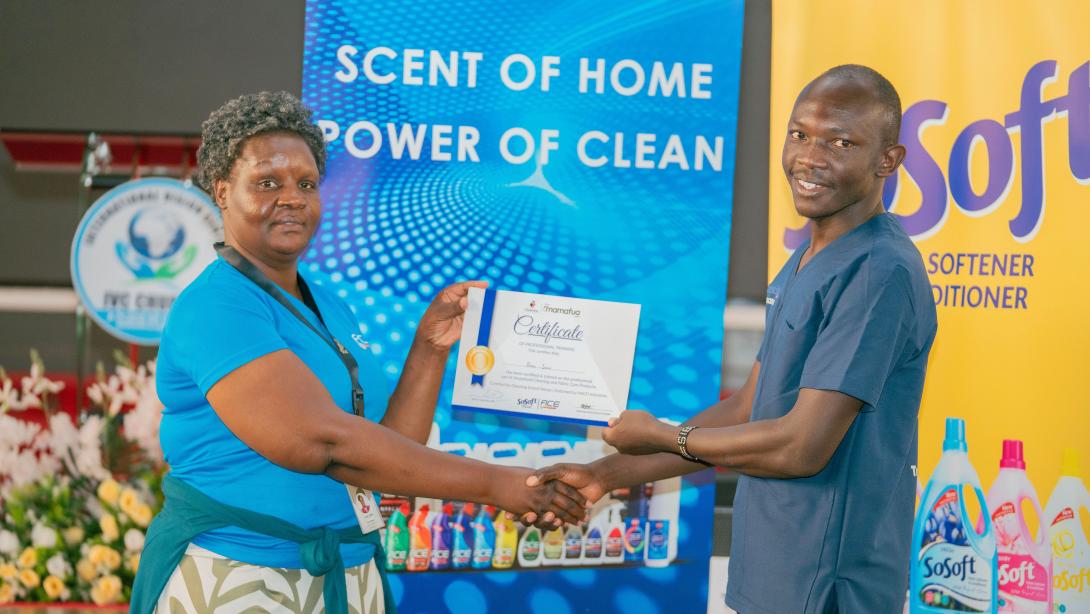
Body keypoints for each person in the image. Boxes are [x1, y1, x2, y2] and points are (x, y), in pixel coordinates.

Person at [131, 91, 584, 614]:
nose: (292, 197)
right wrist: (501, 484)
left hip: (345, 576)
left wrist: (428, 350)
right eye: (268, 183)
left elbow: (387, 450)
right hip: (241, 575)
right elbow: (323, 443)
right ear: (222, 191)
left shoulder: (327, 302)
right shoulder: (216, 305)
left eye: (306, 183)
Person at [529, 65, 938, 613]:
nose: (810, 158)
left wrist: (663, 434)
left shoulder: (877, 272)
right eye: (799, 135)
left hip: (827, 586)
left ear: (888, 160)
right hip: (772, 573)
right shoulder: (810, 256)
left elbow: (801, 447)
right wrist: (606, 475)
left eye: (841, 142)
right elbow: (748, 409)